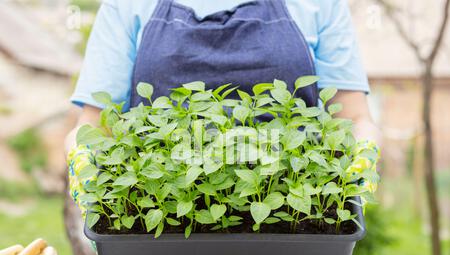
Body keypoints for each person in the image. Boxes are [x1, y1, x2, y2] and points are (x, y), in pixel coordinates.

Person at [65, 0, 380, 154]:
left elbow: (352, 119)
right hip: (155, 243)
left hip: (296, 248)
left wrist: (363, 161)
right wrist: (85, 171)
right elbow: (92, 128)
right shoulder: (128, 4)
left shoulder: (319, 4)